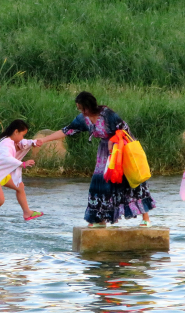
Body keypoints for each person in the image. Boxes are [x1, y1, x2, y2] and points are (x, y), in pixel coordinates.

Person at [38, 91, 155, 226]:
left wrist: (112, 141)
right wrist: (44, 140)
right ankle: (99, 220)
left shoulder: (107, 114)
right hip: (104, 154)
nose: (80, 111)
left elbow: (124, 130)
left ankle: (146, 219)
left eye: (81, 108)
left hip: (120, 151)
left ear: (88, 106)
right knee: (99, 185)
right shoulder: (84, 119)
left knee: (130, 182)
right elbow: (67, 130)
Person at [0, 119, 44, 229]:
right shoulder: (5, 143)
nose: (22, 138)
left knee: (20, 187)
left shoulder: (9, 140)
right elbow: (5, 158)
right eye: (22, 134)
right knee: (0, 200)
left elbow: (22, 143)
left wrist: (33, 142)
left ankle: (27, 212)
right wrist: (23, 164)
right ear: (16, 132)